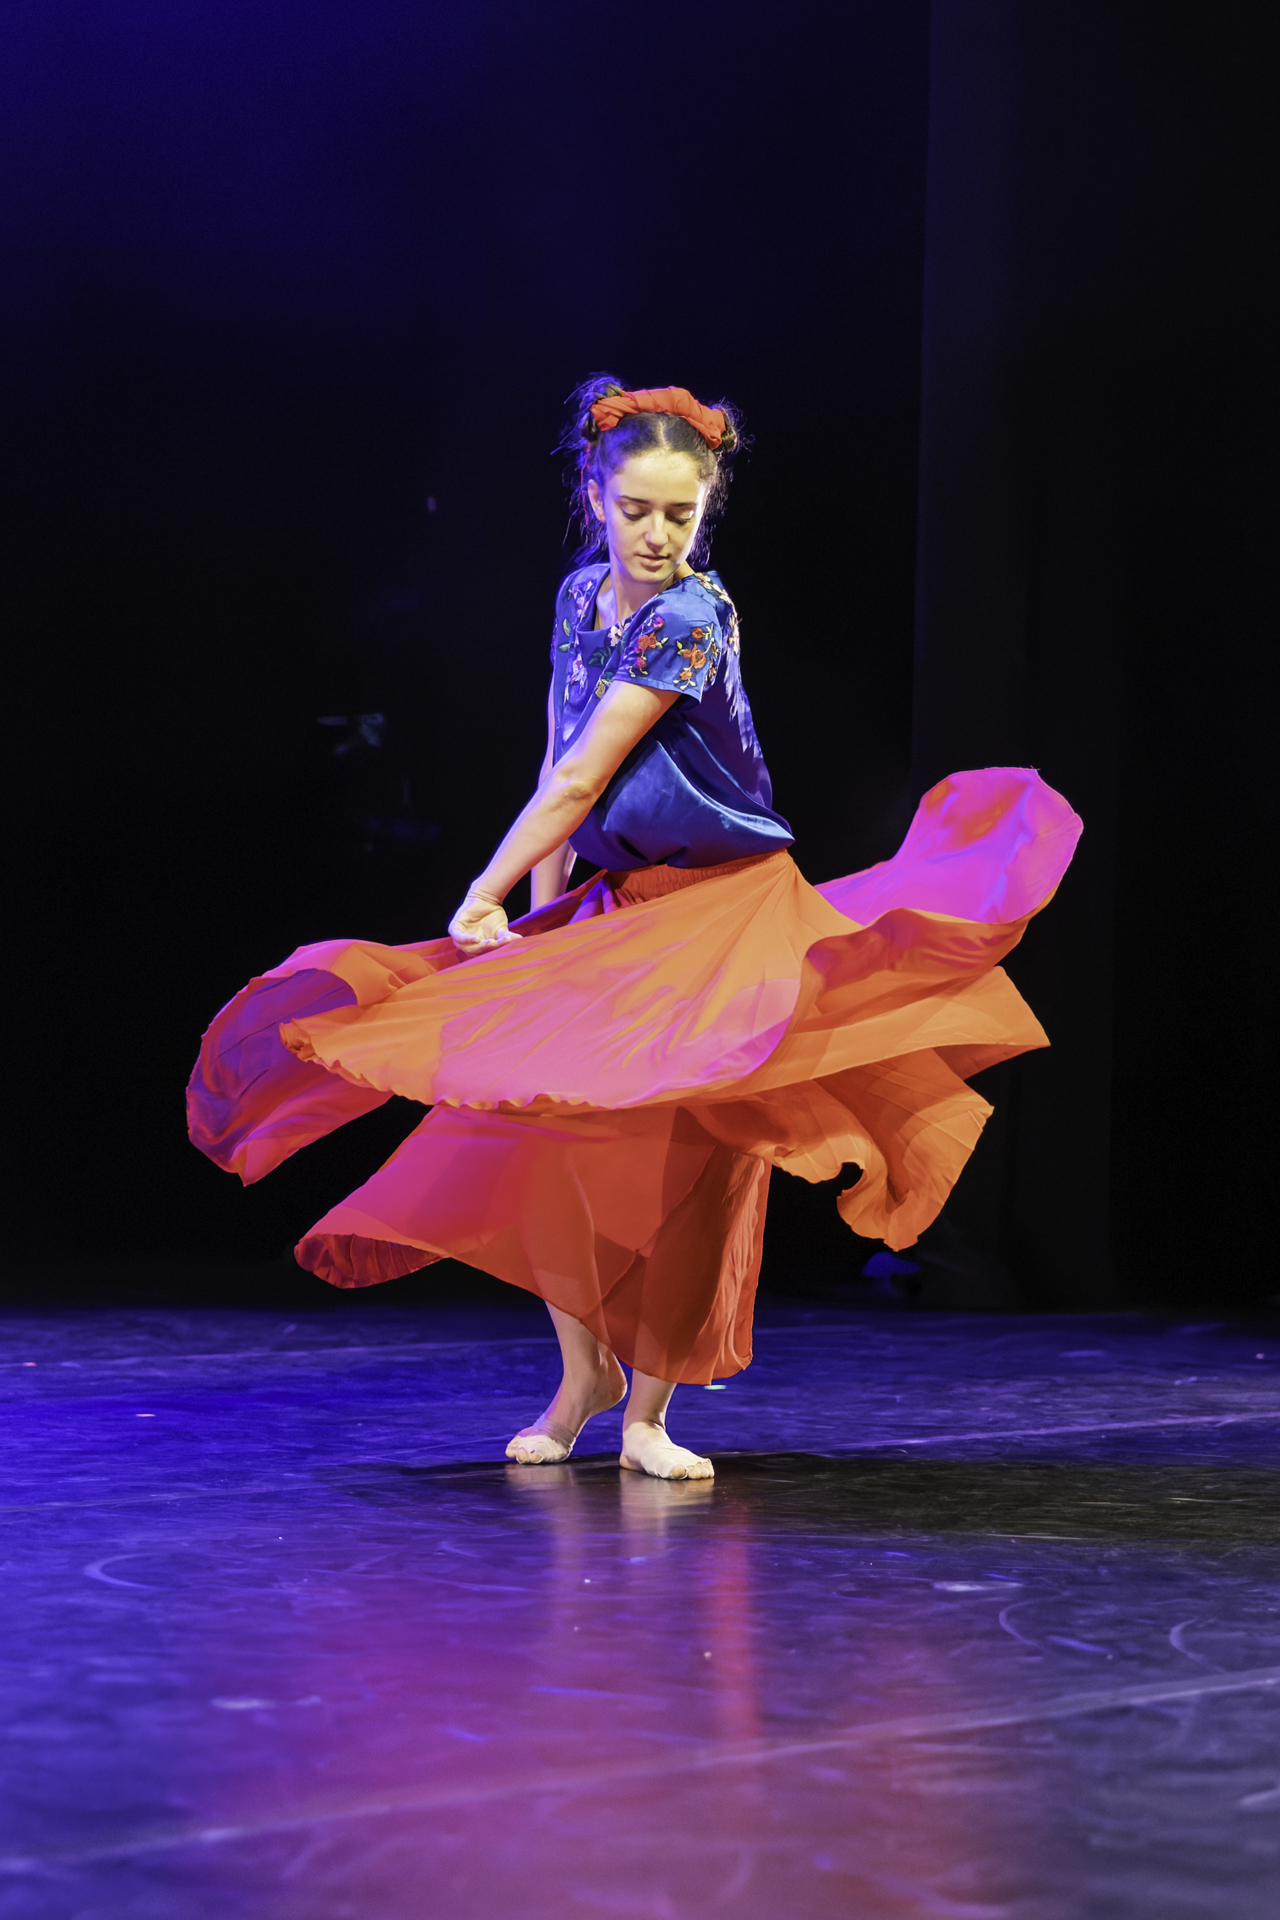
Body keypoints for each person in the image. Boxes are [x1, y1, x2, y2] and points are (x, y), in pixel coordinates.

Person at [188, 376, 1082, 1482]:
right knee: (537, 1122)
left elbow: (585, 774)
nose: (657, 535)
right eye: (635, 511)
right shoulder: (579, 597)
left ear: (705, 509)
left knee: (687, 1155)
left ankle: (650, 1413)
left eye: (680, 514)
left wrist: (479, 892)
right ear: (594, 498)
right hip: (618, 903)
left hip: (720, 908)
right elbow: (555, 759)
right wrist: (538, 915)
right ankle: (584, 1378)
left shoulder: (688, 618)